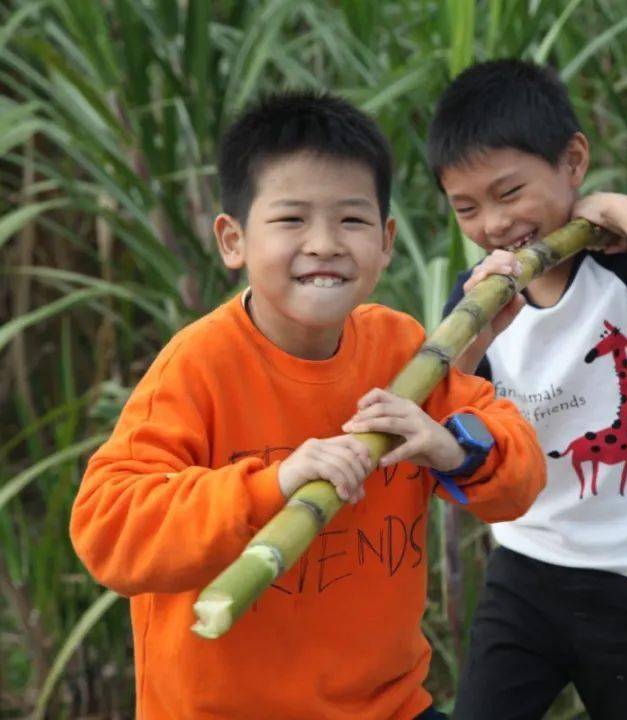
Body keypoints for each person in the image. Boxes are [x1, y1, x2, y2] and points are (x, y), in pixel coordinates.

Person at [69, 90, 545, 720]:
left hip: (389, 705)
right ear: (232, 240)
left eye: (351, 220)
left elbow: (518, 479)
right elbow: (109, 529)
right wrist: (276, 483)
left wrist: (450, 446)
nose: (323, 243)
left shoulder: (402, 350)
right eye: (291, 220)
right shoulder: (198, 367)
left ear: (386, 241)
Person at [429, 59, 627, 719]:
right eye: (468, 208)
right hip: (525, 571)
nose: (493, 222)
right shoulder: (480, 297)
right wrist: (486, 321)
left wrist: (620, 210)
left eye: (509, 193)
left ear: (573, 161)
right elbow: (445, 406)